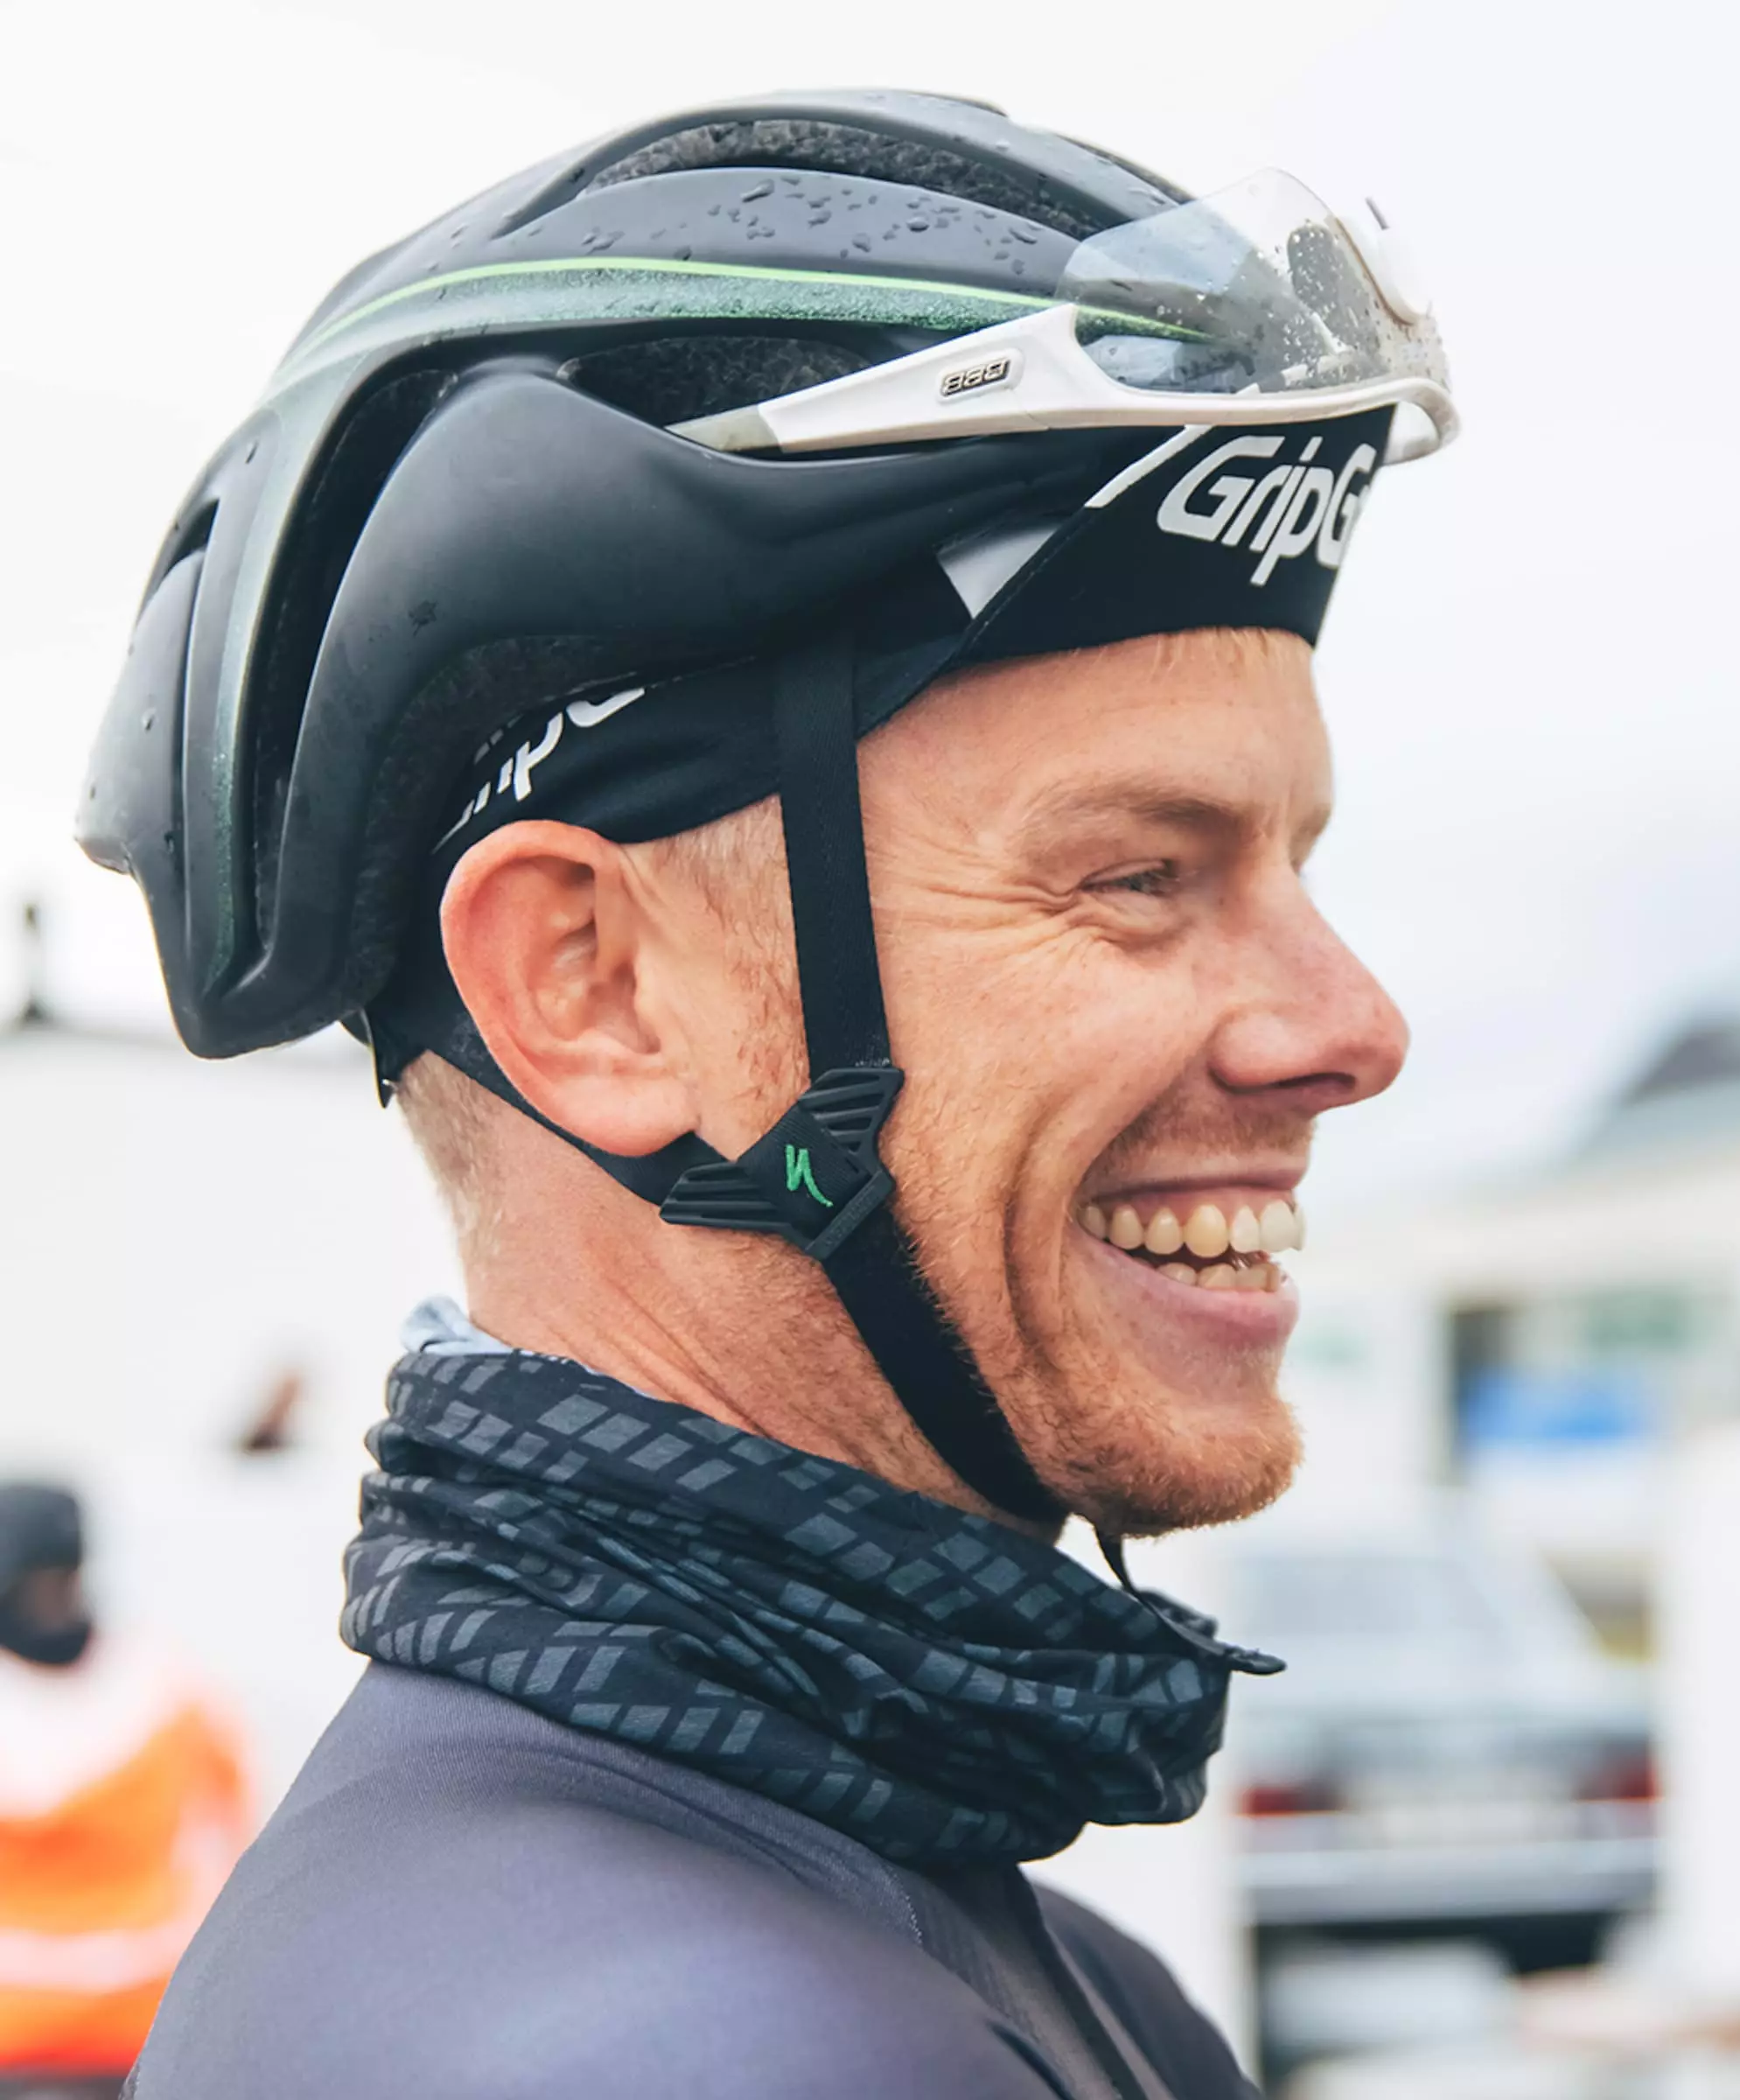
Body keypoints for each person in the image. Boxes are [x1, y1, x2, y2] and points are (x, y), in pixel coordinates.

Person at [79, 90, 1456, 2096]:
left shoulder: (814, 1938)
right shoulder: (713, 2042)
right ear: (598, 988)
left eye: (1295, 867)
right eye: (1138, 875)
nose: (1350, 1024)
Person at [0, 1488, 246, 2099]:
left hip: (111, 2029)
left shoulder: (167, 1689)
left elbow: (226, 1847)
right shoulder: (166, 1685)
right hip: (143, 2029)